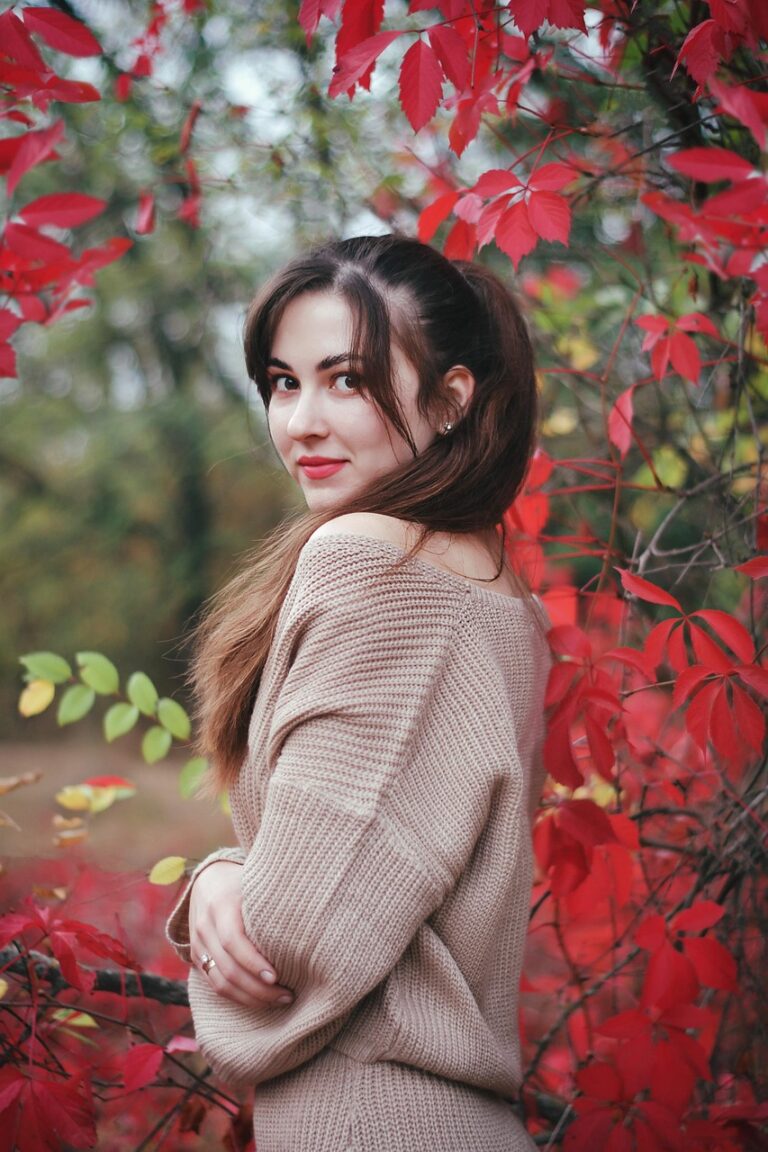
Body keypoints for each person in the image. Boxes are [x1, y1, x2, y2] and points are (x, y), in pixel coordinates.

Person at [165, 234, 550, 1151]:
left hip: (377, 1120)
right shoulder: (505, 599)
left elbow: (288, 951)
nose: (300, 422)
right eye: (283, 381)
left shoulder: (371, 565)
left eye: (346, 380)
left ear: (453, 398)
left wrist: (218, 883)